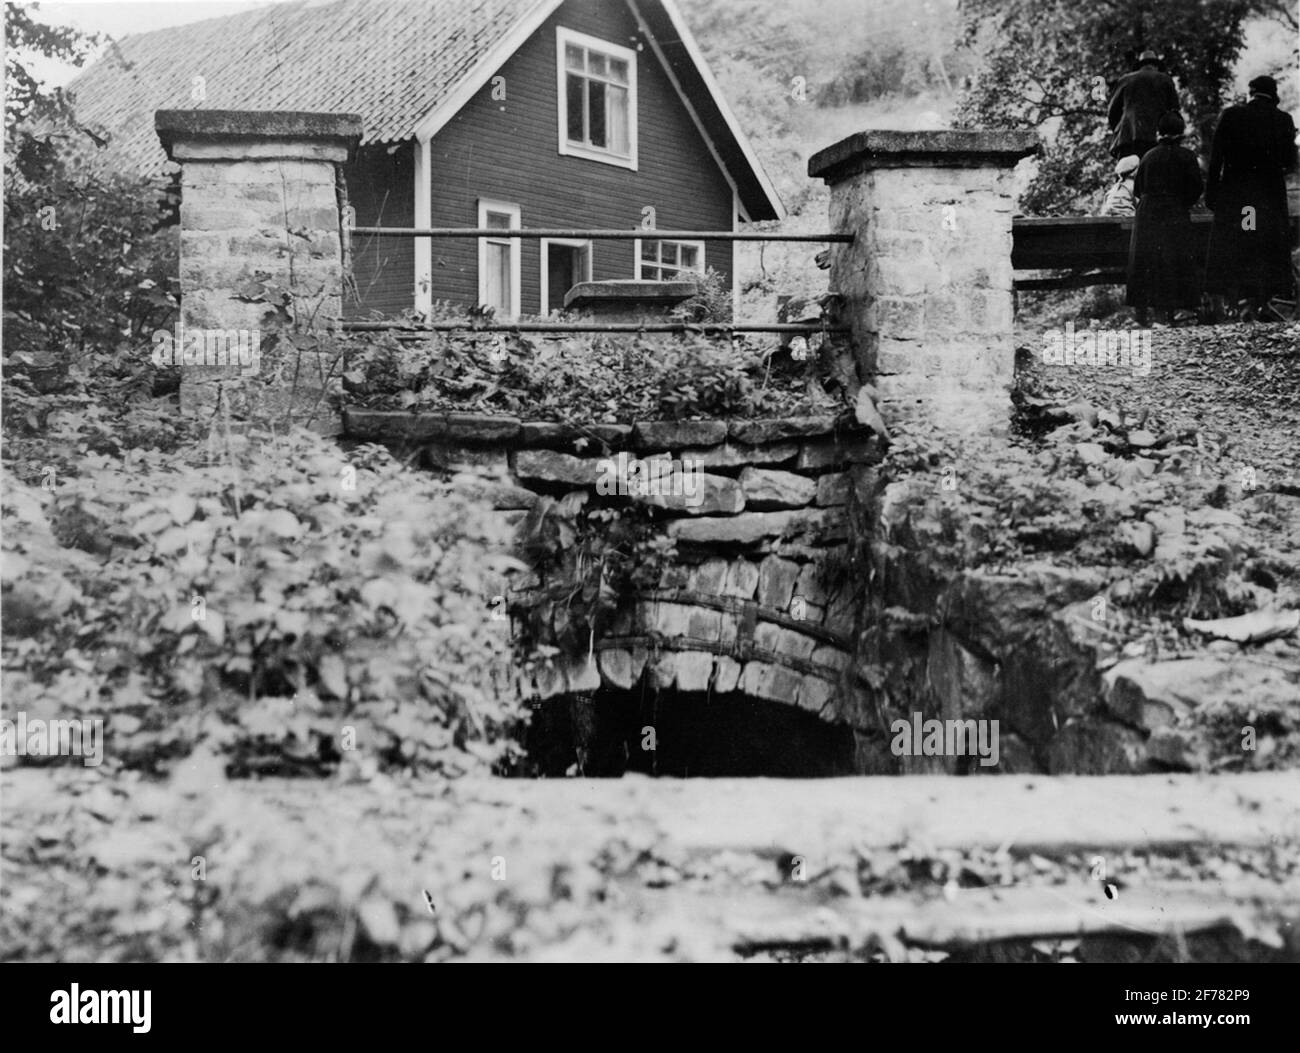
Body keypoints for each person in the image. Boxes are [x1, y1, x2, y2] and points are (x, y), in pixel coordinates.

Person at [1204, 75, 1299, 320]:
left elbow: (1216, 159)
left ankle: (1246, 300)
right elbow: (1290, 162)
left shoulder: (1232, 115)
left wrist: (1212, 194)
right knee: (1264, 244)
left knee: (1245, 240)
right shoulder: (1284, 120)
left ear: (1251, 93)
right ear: (1273, 95)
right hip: (1268, 196)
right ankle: (1262, 300)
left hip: (1239, 195)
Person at [1126, 111, 1204, 326]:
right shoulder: (1187, 156)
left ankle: (1147, 316)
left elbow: (1138, 189)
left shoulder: (1148, 156)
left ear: (1159, 133)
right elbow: (1196, 188)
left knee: (1150, 262)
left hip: (1148, 213)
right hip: (1174, 211)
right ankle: (1181, 312)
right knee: (1176, 259)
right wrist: (1182, 203)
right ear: (1181, 133)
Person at [1108, 49, 1180, 161]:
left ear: (1140, 66)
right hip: (1155, 139)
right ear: (1156, 65)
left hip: (1127, 139)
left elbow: (1113, 112)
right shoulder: (1165, 79)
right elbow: (1174, 111)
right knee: (1154, 176)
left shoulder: (1125, 80)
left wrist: (1121, 129)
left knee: (1127, 175)